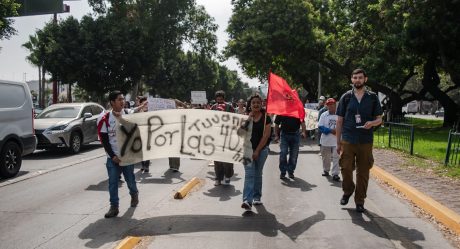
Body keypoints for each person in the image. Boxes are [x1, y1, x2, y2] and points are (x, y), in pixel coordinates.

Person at [336, 68, 383, 213]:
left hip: (365, 140)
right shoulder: (346, 97)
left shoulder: (373, 97)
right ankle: (348, 190)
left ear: (365, 79)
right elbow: (339, 120)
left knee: (363, 173)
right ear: (351, 80)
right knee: (345, 168)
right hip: (348, 139)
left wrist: (372, 123)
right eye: (355, 77)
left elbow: (379, 119)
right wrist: (338, 142)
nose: (357, 80)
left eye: (360, 78)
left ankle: (360, 201)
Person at [97, 90, 139, 218]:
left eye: (123, 99)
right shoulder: (104, 119)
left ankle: (134, 194)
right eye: (119, 99)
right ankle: (114, 207)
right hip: (113, 158)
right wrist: (113, 156)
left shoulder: (128, 114)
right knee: (113, 182)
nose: (123, 101)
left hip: (127, 157)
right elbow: (104, 140)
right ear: (112, 102)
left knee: (130, 179)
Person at [241, 95, 272, 210]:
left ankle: (256, 197)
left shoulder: (266, 118)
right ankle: (247, 201)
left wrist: (258, 151)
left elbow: (266, 136)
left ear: (262, 104)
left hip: (262, 151)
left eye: (258, 102)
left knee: (258, 174)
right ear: (249, 105)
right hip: (247, 150)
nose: (256, 104)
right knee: (249, 175)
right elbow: (240, 133)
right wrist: (248, 119)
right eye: (253, 102)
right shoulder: (244, 117)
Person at [210, 90, 235, 185]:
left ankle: (227, 176)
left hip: (227, 136)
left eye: (221, 98)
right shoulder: (213, 107)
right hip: (216, 137)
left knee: (227, 158)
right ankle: (218, 178)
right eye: (218, 98)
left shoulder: (229, 107)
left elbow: (234, 119)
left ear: (224, 98)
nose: (219, 100)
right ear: (216, 99)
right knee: (217, 159)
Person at [274, 114, 307, 179]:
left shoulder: (298, 111)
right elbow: (276, 124)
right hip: (284, 135)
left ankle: (290, 171)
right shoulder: (282, 111)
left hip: (295, 135)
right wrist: (276, 135)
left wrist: (303, 132)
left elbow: (303, 122)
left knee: (294, 155)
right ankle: (283, 172)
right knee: (283, 153)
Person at [318, 98, 340, 181]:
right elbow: (320, 126)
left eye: (332, 104)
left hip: (336, 141)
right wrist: (331, 131)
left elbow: (342, 125)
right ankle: (326, 170)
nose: (330, 106)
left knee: (336, 157)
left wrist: (337, 132)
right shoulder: (324, 115)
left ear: (335, 105)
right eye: (329, 105)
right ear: (327, 106)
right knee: (326, 157)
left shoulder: (339, 115)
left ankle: (335, 173)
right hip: (325, 141)